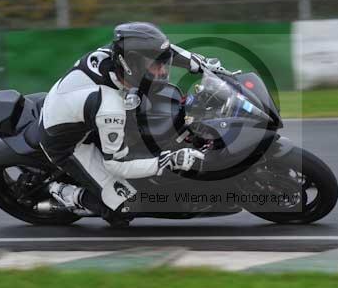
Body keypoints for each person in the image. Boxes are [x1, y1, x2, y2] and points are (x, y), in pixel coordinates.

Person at [38, 22, 219, 225]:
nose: (161, 72)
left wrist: (199, 63)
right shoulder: (109, 107)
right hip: (69, 144)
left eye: (161, 64)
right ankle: (67, 194)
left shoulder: (117, 54)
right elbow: (116, 165)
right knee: (125, 207)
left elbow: (163, 51)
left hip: (77, 109)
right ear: (131, 65)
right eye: (154, 66)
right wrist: (169, 160)